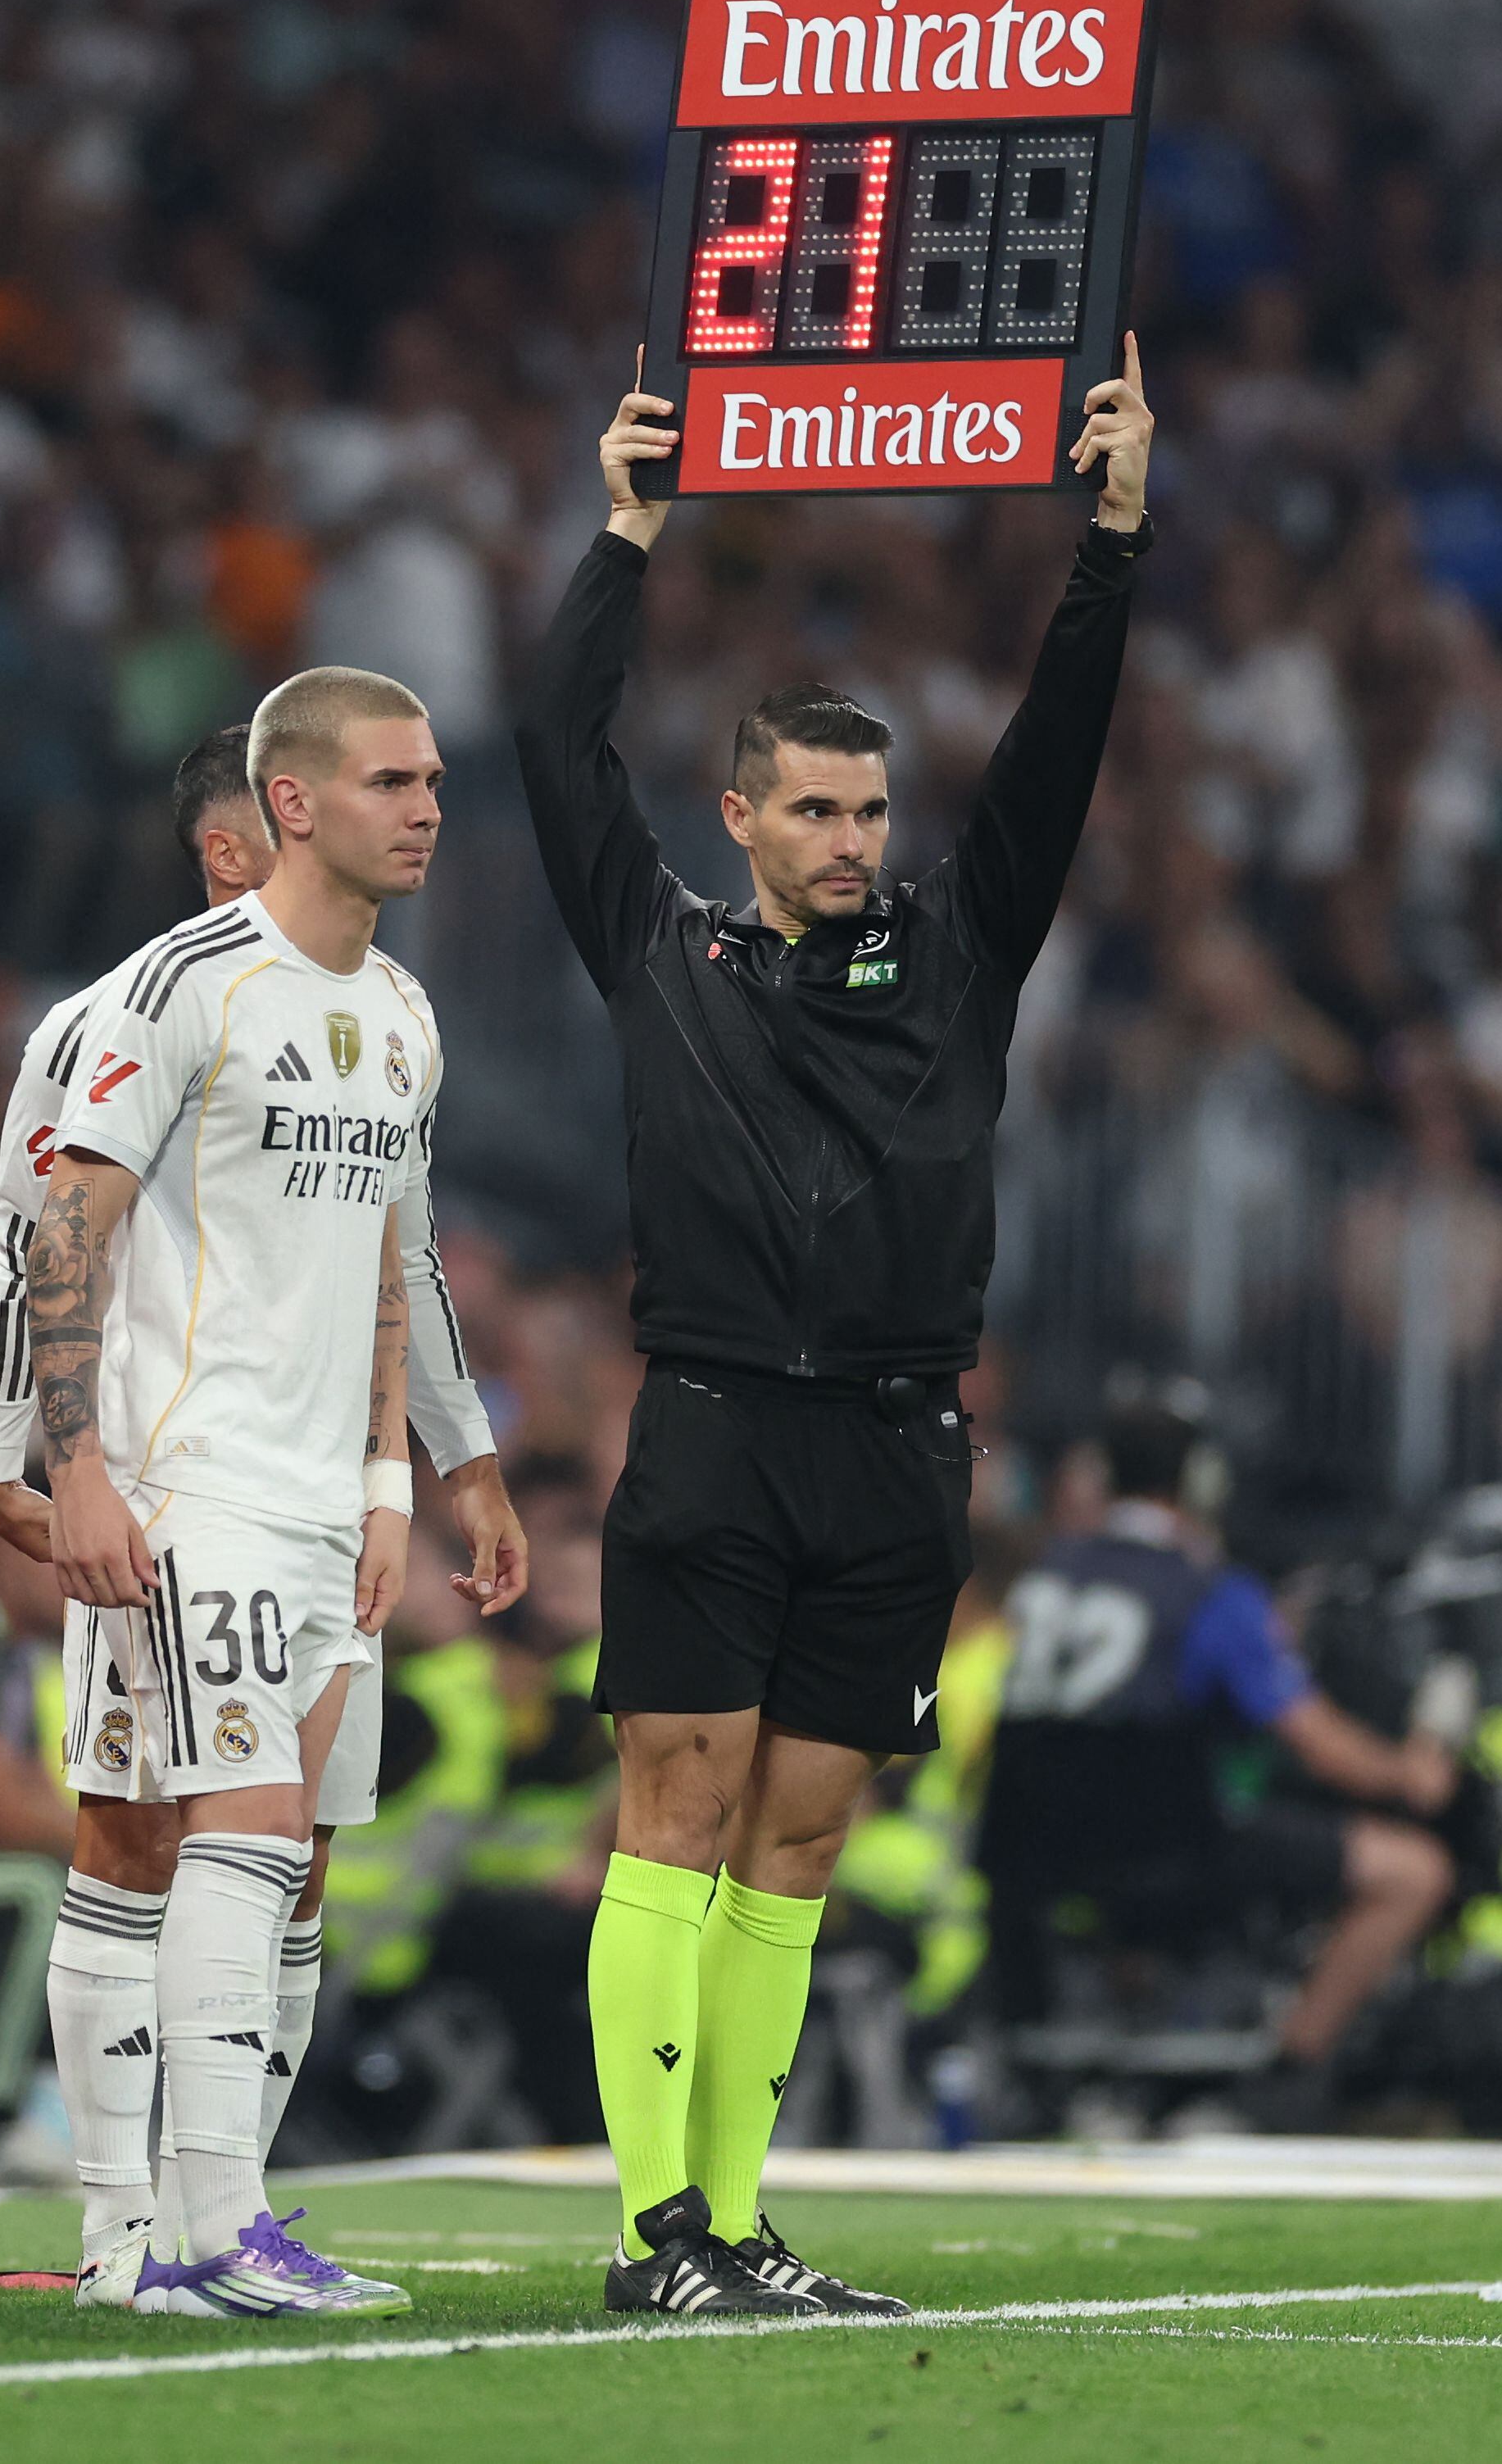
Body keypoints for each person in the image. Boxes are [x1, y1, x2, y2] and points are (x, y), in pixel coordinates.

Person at [513, 343, 1155, 2319]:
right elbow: (554, 746)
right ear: (740, 812)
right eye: (813, 806)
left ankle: (733, 2217)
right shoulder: (659, 945)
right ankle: (651, 2232)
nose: (853, 835)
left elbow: (1054, 750)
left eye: (872, 807)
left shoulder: (959, 951)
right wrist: (625, 531)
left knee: (798, 1836)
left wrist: (1112, 533)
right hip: (711, 1423)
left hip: (897, 1444)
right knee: (679, 1804)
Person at [0, 723, 524, 2305]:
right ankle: (191, 2229)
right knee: (213, 1831)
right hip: (180, 1476)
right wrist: (38, 1461)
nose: (428, 808)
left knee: (278, 1848)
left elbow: (398, 1258)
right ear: (285, 808)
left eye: (430, 783)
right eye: (394, 782)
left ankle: (162, 2238)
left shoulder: (403, 1011)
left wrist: (433, 1463)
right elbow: (50, 1234)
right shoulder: (166, 992)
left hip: (318, 1500)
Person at [980, 1388, 1457, 2128]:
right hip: (1167, 1855)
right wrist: (1410, 1770)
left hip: (1032, 1854)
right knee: (1413, 1871)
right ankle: (1279, 2082)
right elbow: (1319, 1746)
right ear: (1201, 1482)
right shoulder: (1207, 1591)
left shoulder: (1046, 1576)